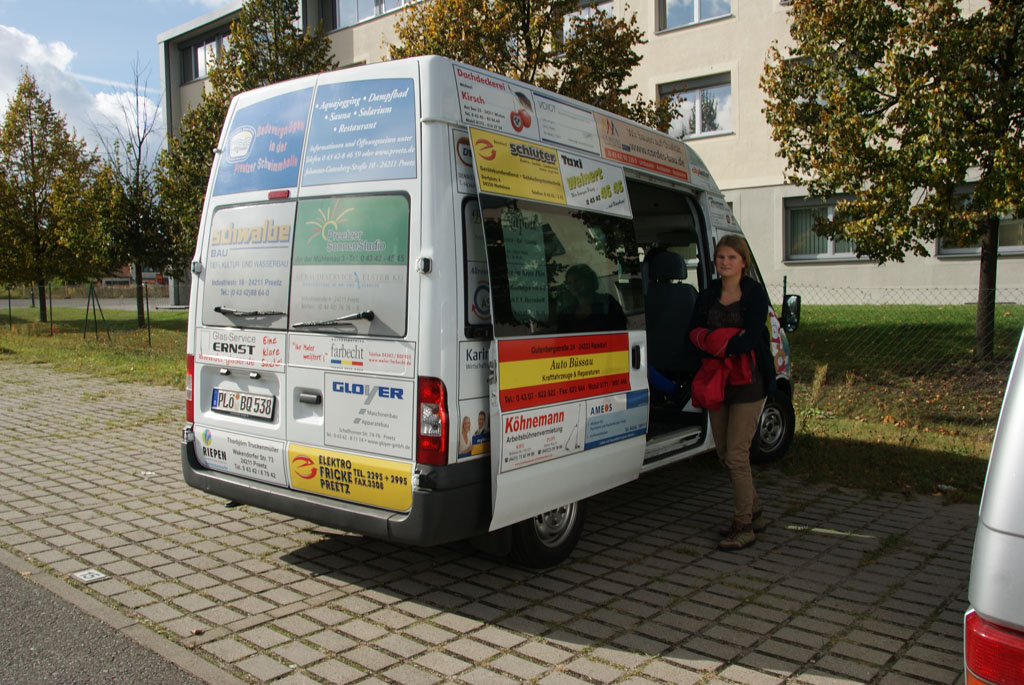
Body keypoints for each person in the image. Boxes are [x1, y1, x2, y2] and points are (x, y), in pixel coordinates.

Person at [685, 235, 775, 551]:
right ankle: (755, 512)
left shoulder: (754, 293)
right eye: (721, 257)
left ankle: (743, 526)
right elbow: (692, 334)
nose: (725, 262)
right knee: (725, 454)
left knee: (737, 455)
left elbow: (749, 340)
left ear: (743, 262)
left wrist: (713, 340)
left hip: (749, 382)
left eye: (731, 257)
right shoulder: (708, 293)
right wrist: (726, 339)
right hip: (716, 380)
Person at [557, 263, 626, 333]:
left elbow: (620, 330)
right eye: (569, 283)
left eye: (576, 281)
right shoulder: (566, 313)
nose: (573, 286)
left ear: (589, 280)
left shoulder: (607, 302)